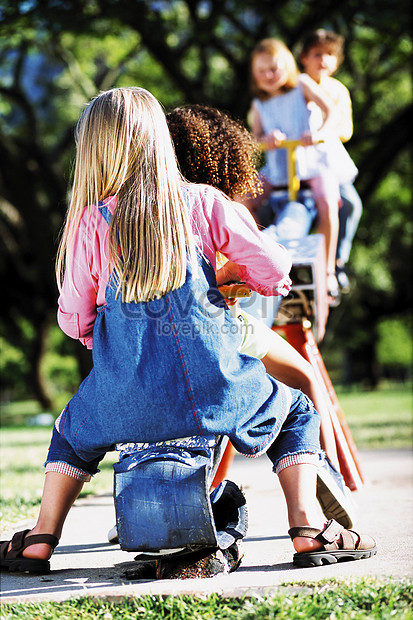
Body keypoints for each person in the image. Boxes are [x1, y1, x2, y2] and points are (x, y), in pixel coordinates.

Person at [0, 87, 376, 575]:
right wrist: (246, 278)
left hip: (122, 399)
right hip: (216, 389)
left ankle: (41, 537)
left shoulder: (93, 223)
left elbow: (73, 317)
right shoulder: (204, 203)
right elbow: (273, 267)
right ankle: (307, 527)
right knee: (298, 410)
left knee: (69, 436)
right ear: (159, 140)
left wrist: (108, 342)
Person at [166, 104, 343, 472]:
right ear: (227, 156)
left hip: (152, 332)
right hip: (218, 326)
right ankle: (326, 474)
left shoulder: (140, 209)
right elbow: (272, 270)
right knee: (305, 379)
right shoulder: (217, 205)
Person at [246, 38, 358, 304]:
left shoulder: (302, 86)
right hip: (280, 168)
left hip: (312, 162)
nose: (268, 76)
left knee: (329, 202)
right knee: (244, 197)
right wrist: (266, 140)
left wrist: (319, 133)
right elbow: (254, 139)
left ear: (286, 66)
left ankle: (329, 268)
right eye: (262, 71)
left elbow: (331, 112)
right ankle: (252, 257)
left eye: (274, 69)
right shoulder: (258, 105)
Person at [298, 29, 363, 293]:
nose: (323, 60)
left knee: (350, 205)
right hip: (297, 160)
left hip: (327, 162)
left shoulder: (337, 90)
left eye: (329, 55)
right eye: (317, 54)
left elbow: (346, 130)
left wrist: (320, 133)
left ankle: (337, 261)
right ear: (304, 57)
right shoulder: (294, 86)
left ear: (337, 61)